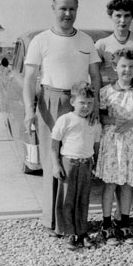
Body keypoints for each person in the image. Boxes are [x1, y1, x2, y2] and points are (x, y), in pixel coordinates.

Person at [23, 0, 101, 236]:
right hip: (51, 100)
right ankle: (53, 222)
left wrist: (95, 105)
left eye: (72, 9)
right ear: (54, 9)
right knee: (53, 159)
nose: (68, 14)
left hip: (81, 102)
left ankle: (76, 222)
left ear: (77, 10)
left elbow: (96, 76)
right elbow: (29, 79)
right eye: (63, 8)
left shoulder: (86, 40)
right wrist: (29, 111)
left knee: (76, 161)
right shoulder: (41, 40)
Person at [95, 0, 133, 222]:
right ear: (111, 17)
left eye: (127, 16)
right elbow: (95, 75)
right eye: (118, 15)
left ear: (132, 17)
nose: (122, 20)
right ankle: (113, 217)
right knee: (115, 167)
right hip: (114, 103)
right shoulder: (102, 45)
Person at [95, 49, 133, 245]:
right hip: (113, 142)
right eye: (123, 66)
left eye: (131, 66)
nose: (127, 70)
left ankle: (124, 223)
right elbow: (100, 116)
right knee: (110, 183)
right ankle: (106, 223)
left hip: (132, 142)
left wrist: (131, 124)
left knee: (127, 183)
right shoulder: (105, 91)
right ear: (115, 67)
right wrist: (113, 119)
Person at [51, 82, 101, 250]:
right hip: (68, 163)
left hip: (86, 164)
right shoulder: (65, 120)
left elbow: (96, 146)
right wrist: (56, 164)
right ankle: (69, 232)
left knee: (83, 199)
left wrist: (95, 164)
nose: (86, 106)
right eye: (82, 102)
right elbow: (54, 145)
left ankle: (82, 231)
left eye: (89, 103)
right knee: (67, 199)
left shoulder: (94, 123)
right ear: (72, 102)